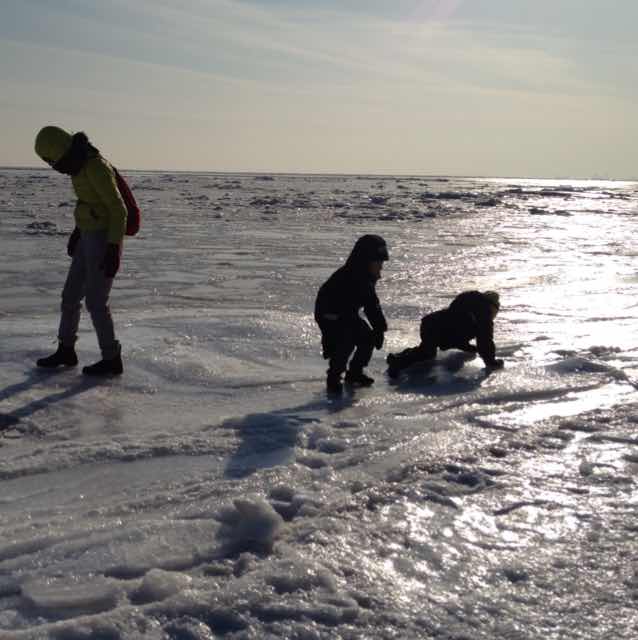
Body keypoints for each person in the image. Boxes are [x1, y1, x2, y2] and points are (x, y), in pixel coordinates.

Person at [34, 126, 126, 376]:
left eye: (54, 161)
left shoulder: (96, 167)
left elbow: (119, 210)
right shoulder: (77, 167)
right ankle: (66, 349)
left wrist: (112, 247)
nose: (56, 168)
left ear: (62, 151)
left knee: (96, 302)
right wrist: (78, 232)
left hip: (104, 239)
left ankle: (111, 358)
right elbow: (89, 202)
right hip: (87, 236)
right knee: (70, 295)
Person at [314, 235, 389, 393]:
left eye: (381, 263)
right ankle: (334, 377)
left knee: (367, 338)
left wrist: (379, 328)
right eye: (378, 262)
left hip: (347, 314)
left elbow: (372, 304)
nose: (381, 267)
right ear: (365, 260)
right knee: (344, 343)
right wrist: (378, 327)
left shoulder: (366, 277)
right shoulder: (353, 275)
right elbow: (370, 305)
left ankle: (355, 372)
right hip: (330, 314)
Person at [386, 290, 504, 377]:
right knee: (427, 354)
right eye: (495, 311)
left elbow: (458, 330)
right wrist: (491, 362)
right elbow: (485, 341)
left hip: (431, 323)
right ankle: (397, 363)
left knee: (426, 351)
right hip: (435, 328)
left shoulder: (471, 309)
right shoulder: (483, 316)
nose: (494, 315)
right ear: (492, 306)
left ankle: (398, 357)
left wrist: (468, 347)